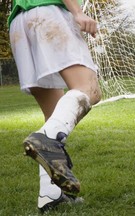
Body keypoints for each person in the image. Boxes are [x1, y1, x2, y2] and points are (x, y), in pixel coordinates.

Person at [8, 0, 101, 212]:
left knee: (53, 114)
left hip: (19, 22)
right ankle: (47, 139)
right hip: (48, 11)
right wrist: (77, 11)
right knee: (89, 89)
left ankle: (49, 194)